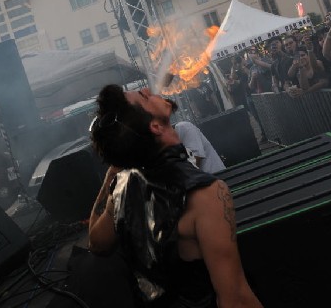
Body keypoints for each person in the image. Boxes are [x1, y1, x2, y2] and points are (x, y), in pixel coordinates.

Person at [88, 85, 264, 308]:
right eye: (144, 96)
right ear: (155, 127)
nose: (146, 88)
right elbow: (235, 299)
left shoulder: (121, 188)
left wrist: (112, 177)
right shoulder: (205, 194)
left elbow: (97, 243)